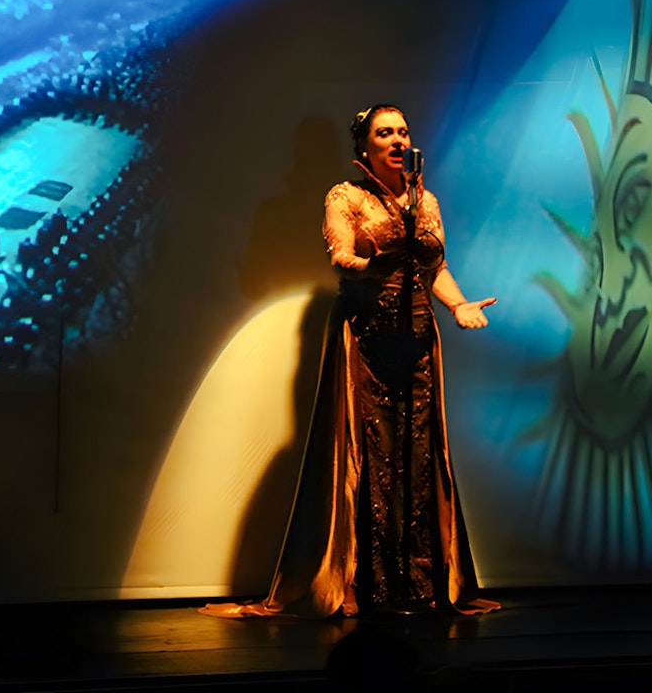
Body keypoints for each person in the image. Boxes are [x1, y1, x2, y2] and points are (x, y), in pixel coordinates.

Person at [202, 104, 499, 617]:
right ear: (365, 147)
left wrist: (458, 304)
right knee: (369, 454)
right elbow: (340, 256)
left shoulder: (423, 200)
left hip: (418, 340)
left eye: (404, 131)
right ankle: (367, 582)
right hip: (366, 336)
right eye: (386, 132)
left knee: (418, 455)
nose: (398, 139)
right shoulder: (346, 196)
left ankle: (418, 583)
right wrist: (373, 263)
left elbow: (435, 266)